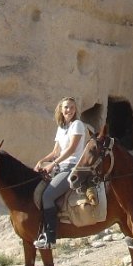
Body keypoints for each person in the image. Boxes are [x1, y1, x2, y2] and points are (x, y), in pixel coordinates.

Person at [34, 97, 86, 249]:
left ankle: (50, 238)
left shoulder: (77, 125)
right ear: (61, 110)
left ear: (75, 110)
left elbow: (71, 149)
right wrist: (41, 161)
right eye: (66, 107)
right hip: (60, 166)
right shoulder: (62, 127)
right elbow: (56, 151)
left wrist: (53, 165)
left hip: (72, 167)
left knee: (48, 195)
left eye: (71, 107)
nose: (68, 110)